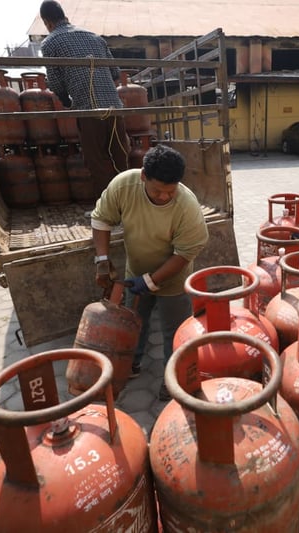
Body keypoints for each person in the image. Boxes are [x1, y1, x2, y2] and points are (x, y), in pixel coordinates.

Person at [91, 144, 208, 401]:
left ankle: (173, 380)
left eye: (170, 191)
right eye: (157, 190)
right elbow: (101, 219)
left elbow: (184, 254)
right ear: (143, 175)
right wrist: (102, 259)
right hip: (136, 270)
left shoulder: (187, 206)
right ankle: (130, 365)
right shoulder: (123, 186)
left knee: (174, 331)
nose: (165, 196)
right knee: (134, 322)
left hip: (174, 278)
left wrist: (150, 281)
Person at [39, 0, 129, 198]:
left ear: (47, 22)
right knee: (121, 156)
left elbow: (55, 82)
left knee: (96, 160)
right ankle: (130, 203)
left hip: (88, 110)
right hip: (115, 108)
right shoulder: (95, 38)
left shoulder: (50, 42)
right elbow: (115, 73)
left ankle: (107, 210)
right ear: (65, 16)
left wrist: (67, 102)